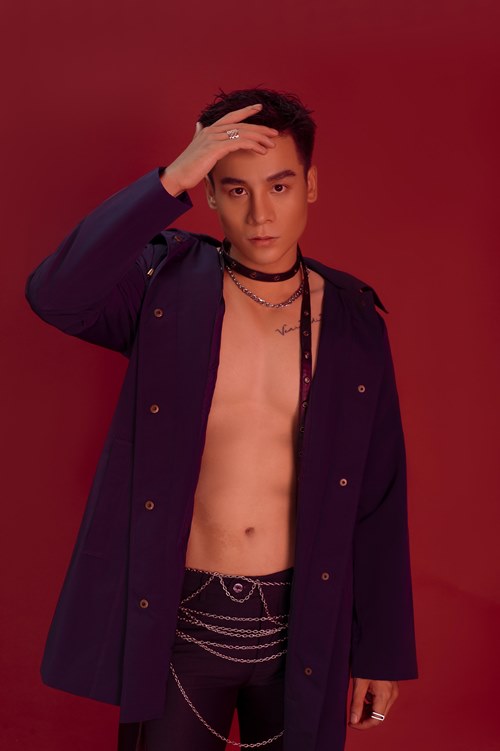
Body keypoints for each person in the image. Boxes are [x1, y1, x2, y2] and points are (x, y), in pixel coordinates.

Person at [25, 87, 418, 751]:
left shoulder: (354, 321)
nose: (260, 213)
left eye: (280, 186)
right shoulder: (164, 284)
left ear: (310, 185)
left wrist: (381, 650)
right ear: (208, 193)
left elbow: (378, 494)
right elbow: (55, 293)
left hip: (304, 630)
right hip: (178, 626)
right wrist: (170, 179)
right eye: (235, 189)